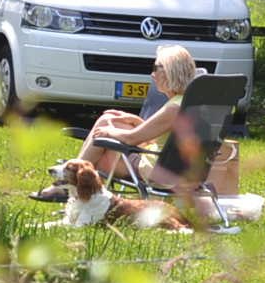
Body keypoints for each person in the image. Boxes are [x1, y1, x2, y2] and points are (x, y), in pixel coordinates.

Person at [31, 45, 210, 206]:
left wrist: (109, 131)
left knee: (103, 136)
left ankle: (72, 183)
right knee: (109, 119)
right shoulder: (189, 103)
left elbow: (132, 138)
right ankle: (75, 182)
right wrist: (132, 120)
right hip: (182, 168)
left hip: (161, 173)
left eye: (156, 68)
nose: (152, 74)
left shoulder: (173, 108)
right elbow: (164, 134)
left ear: (170, 71)